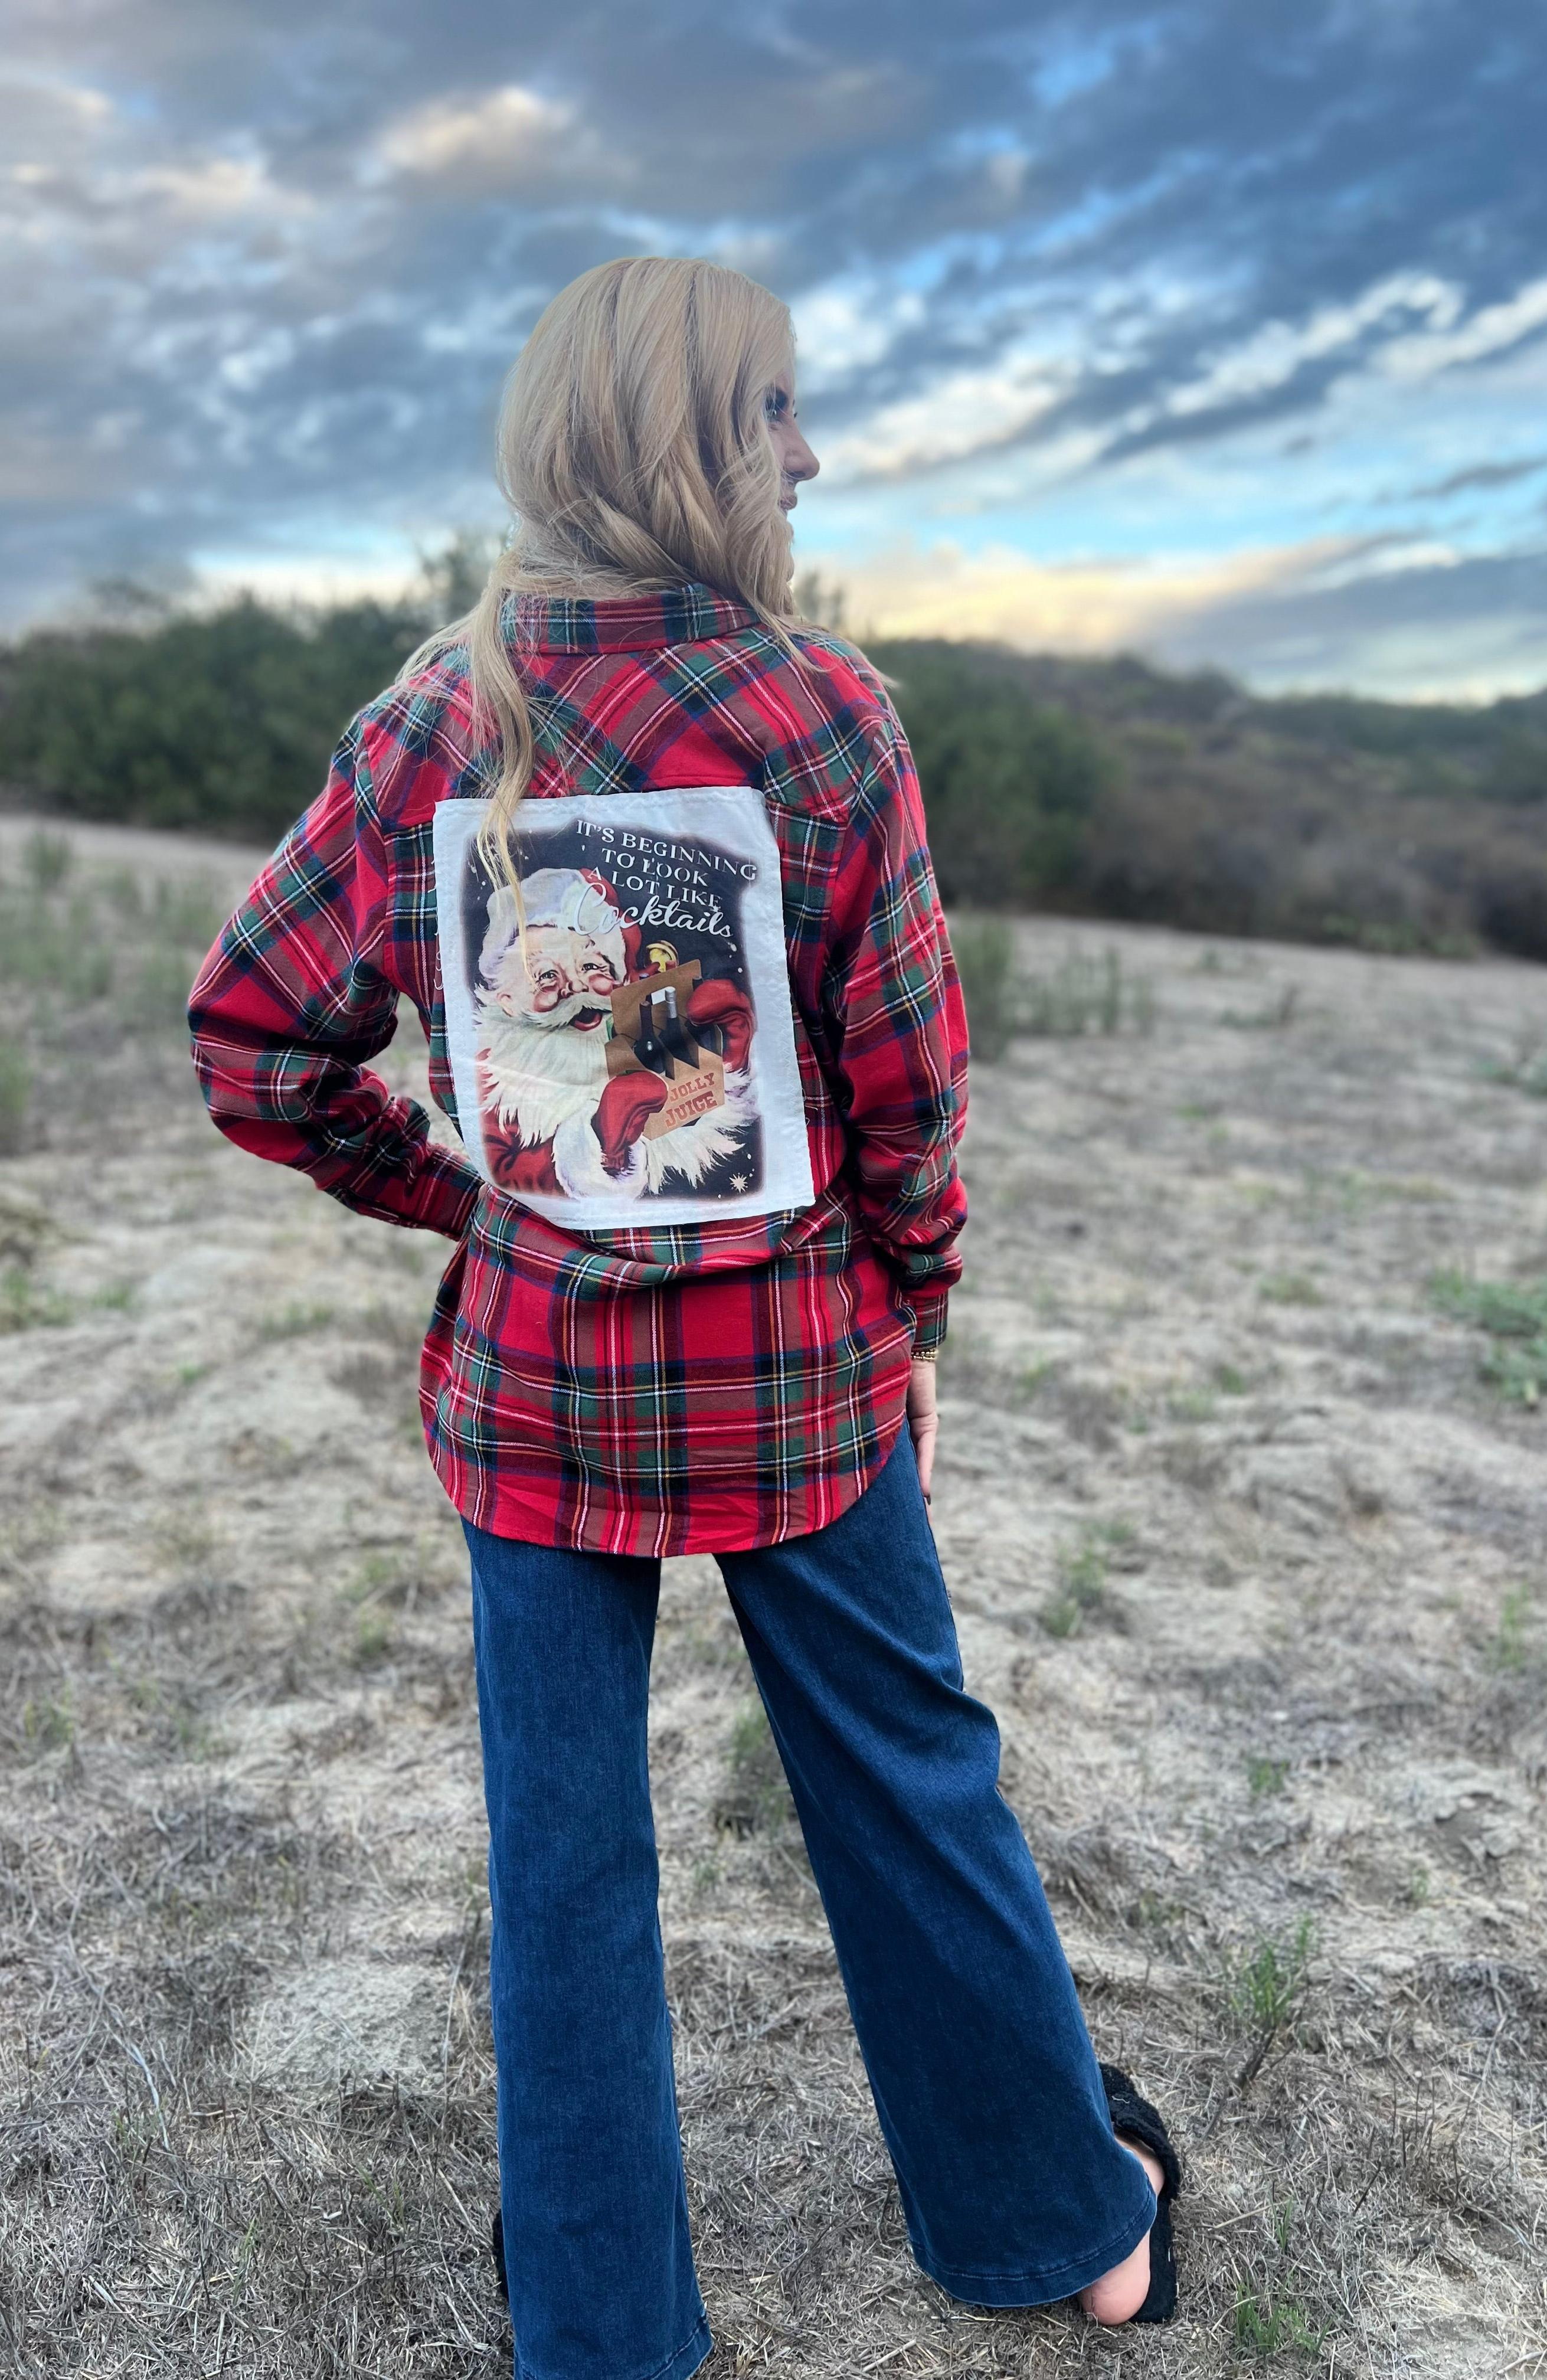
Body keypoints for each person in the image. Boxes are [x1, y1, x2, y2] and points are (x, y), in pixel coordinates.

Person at [189, 254, 1180, 2380]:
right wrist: (909, 1301)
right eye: (774, 413)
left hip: (535, 1401)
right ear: (678, 440)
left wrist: (468, 1200)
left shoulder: (424, 722)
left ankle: (603, 2335)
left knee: (565, 1870)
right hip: (798, 1383)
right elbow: (906, 1084)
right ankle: (1055, 2232)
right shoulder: (822, 716)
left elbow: (252, 1039)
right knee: (912, 1779)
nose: (808, 455)